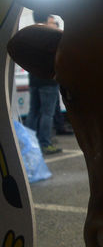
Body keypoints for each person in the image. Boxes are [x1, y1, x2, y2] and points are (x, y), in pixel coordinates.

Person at [24, 12, 63, 155]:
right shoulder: (50, 38)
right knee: (47, 113)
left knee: (33, 111)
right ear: (46, 22)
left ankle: (29, 143)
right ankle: (45, 143)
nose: (55, 25)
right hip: (48, 82)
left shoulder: (31, 35)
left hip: (34, 80)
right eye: (53, 22)